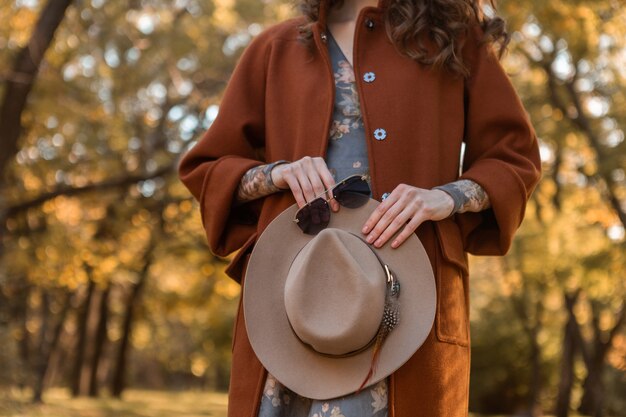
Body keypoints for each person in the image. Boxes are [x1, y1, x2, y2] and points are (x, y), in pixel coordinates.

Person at [177, 0, 542, 415]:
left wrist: (446, 196)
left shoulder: (456, 39)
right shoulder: (274, 47)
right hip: (293, 305)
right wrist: (278, 173)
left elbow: (514, 159)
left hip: (410, 304)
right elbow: (207, 168)